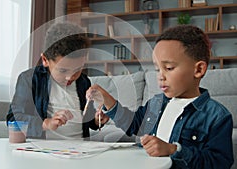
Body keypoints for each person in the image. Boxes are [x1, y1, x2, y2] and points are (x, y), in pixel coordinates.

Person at [86, 25, 234, 168]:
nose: (160, 76)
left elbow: (219, 163)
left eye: (169, 68)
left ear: (199, 69)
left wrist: (173, 150)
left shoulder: (217, 116)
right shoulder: (156, 103)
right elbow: (133, 124)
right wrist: (106, 98)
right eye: (157, 69)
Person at [7, 22, 102, 140]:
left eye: (78, 69)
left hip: (81, 150)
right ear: (45, 60)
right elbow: (13, 118)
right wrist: (45, 123)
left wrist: (98, 120)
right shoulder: (29, 79)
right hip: (46, 149)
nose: (70, 77)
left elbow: (89, 121)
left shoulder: (83, 81)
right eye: (63, 71)